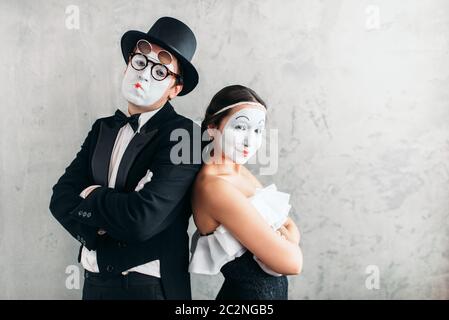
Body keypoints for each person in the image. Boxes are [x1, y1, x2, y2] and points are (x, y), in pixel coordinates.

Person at [49, 17, 201, 300]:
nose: (144, 74)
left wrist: (91, 195)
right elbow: (59, 198)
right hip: (94, 282)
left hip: (149, 288)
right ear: (127, 65)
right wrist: (95, 232)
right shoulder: (102, 128)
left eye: (160, 71)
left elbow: (142, 219)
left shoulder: (188, 136)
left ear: (175, 89)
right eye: (141, 62)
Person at [189, 85, 303, 300]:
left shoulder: (240, 172)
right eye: (241, 127)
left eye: (258, 130)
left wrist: (285, 240)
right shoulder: (215, 186)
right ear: (213, 127)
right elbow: (293, 263)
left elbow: (290, 225)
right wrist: (286, 242)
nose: (250, 141)